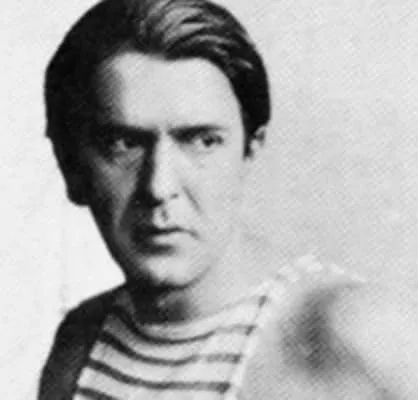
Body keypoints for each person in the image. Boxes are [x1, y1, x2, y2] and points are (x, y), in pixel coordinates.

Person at [39, 0, 418, 398]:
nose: (159, 186)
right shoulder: (81, 340)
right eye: (122, 143)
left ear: (249, 149)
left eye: (203, 141)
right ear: (70, 165)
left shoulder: (347, 334)